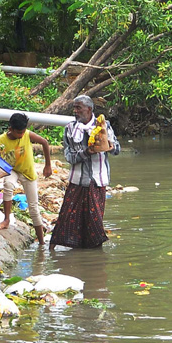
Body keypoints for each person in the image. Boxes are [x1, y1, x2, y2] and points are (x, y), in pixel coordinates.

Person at [49, 94, 119, 250]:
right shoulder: (70, 129)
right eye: (74, 108)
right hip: (78, 180)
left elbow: (116, 150)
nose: (75, 111)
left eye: (78, 107)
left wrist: (110, 146)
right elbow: (69, 157)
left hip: (98, 180)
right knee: (67, 216)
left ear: (89, 109)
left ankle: (94, 255)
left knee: (95, 221)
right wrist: (87, 152)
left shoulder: (104, 126)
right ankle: (53, 248)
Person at [0, 112, 53, 245]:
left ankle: (42, 243)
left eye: (23, 131)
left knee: (33, 208)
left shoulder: (27, 135)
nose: (21, 135)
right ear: (11, 129)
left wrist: (48, 165)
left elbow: (44, 142)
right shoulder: (0, 141)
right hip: (12, 170)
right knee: (8, 185)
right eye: (19, 132)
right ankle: (6, 219)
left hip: (27, 172)